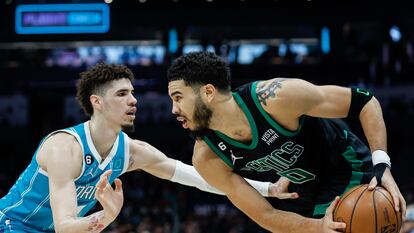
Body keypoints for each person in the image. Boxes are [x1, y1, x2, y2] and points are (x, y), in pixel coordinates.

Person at [0, 63, 288, 233]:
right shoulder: (65, 147)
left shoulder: (132, 151)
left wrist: (267, 189)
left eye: (133, 93)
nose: (133, 101)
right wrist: (107, 217)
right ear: (96, 102)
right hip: (11, 225)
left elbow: (201, 178)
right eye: (122, 94)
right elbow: (65, 226)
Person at [167, 51, 407, 232]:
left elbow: (365, 102)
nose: (173, 110)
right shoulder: (206, 156)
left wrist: (382, 164)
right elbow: (267, 216)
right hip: (302, 189)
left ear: (208, 92)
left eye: (178, 98)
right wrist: (316, 227)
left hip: (345, 166)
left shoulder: (276, 98)